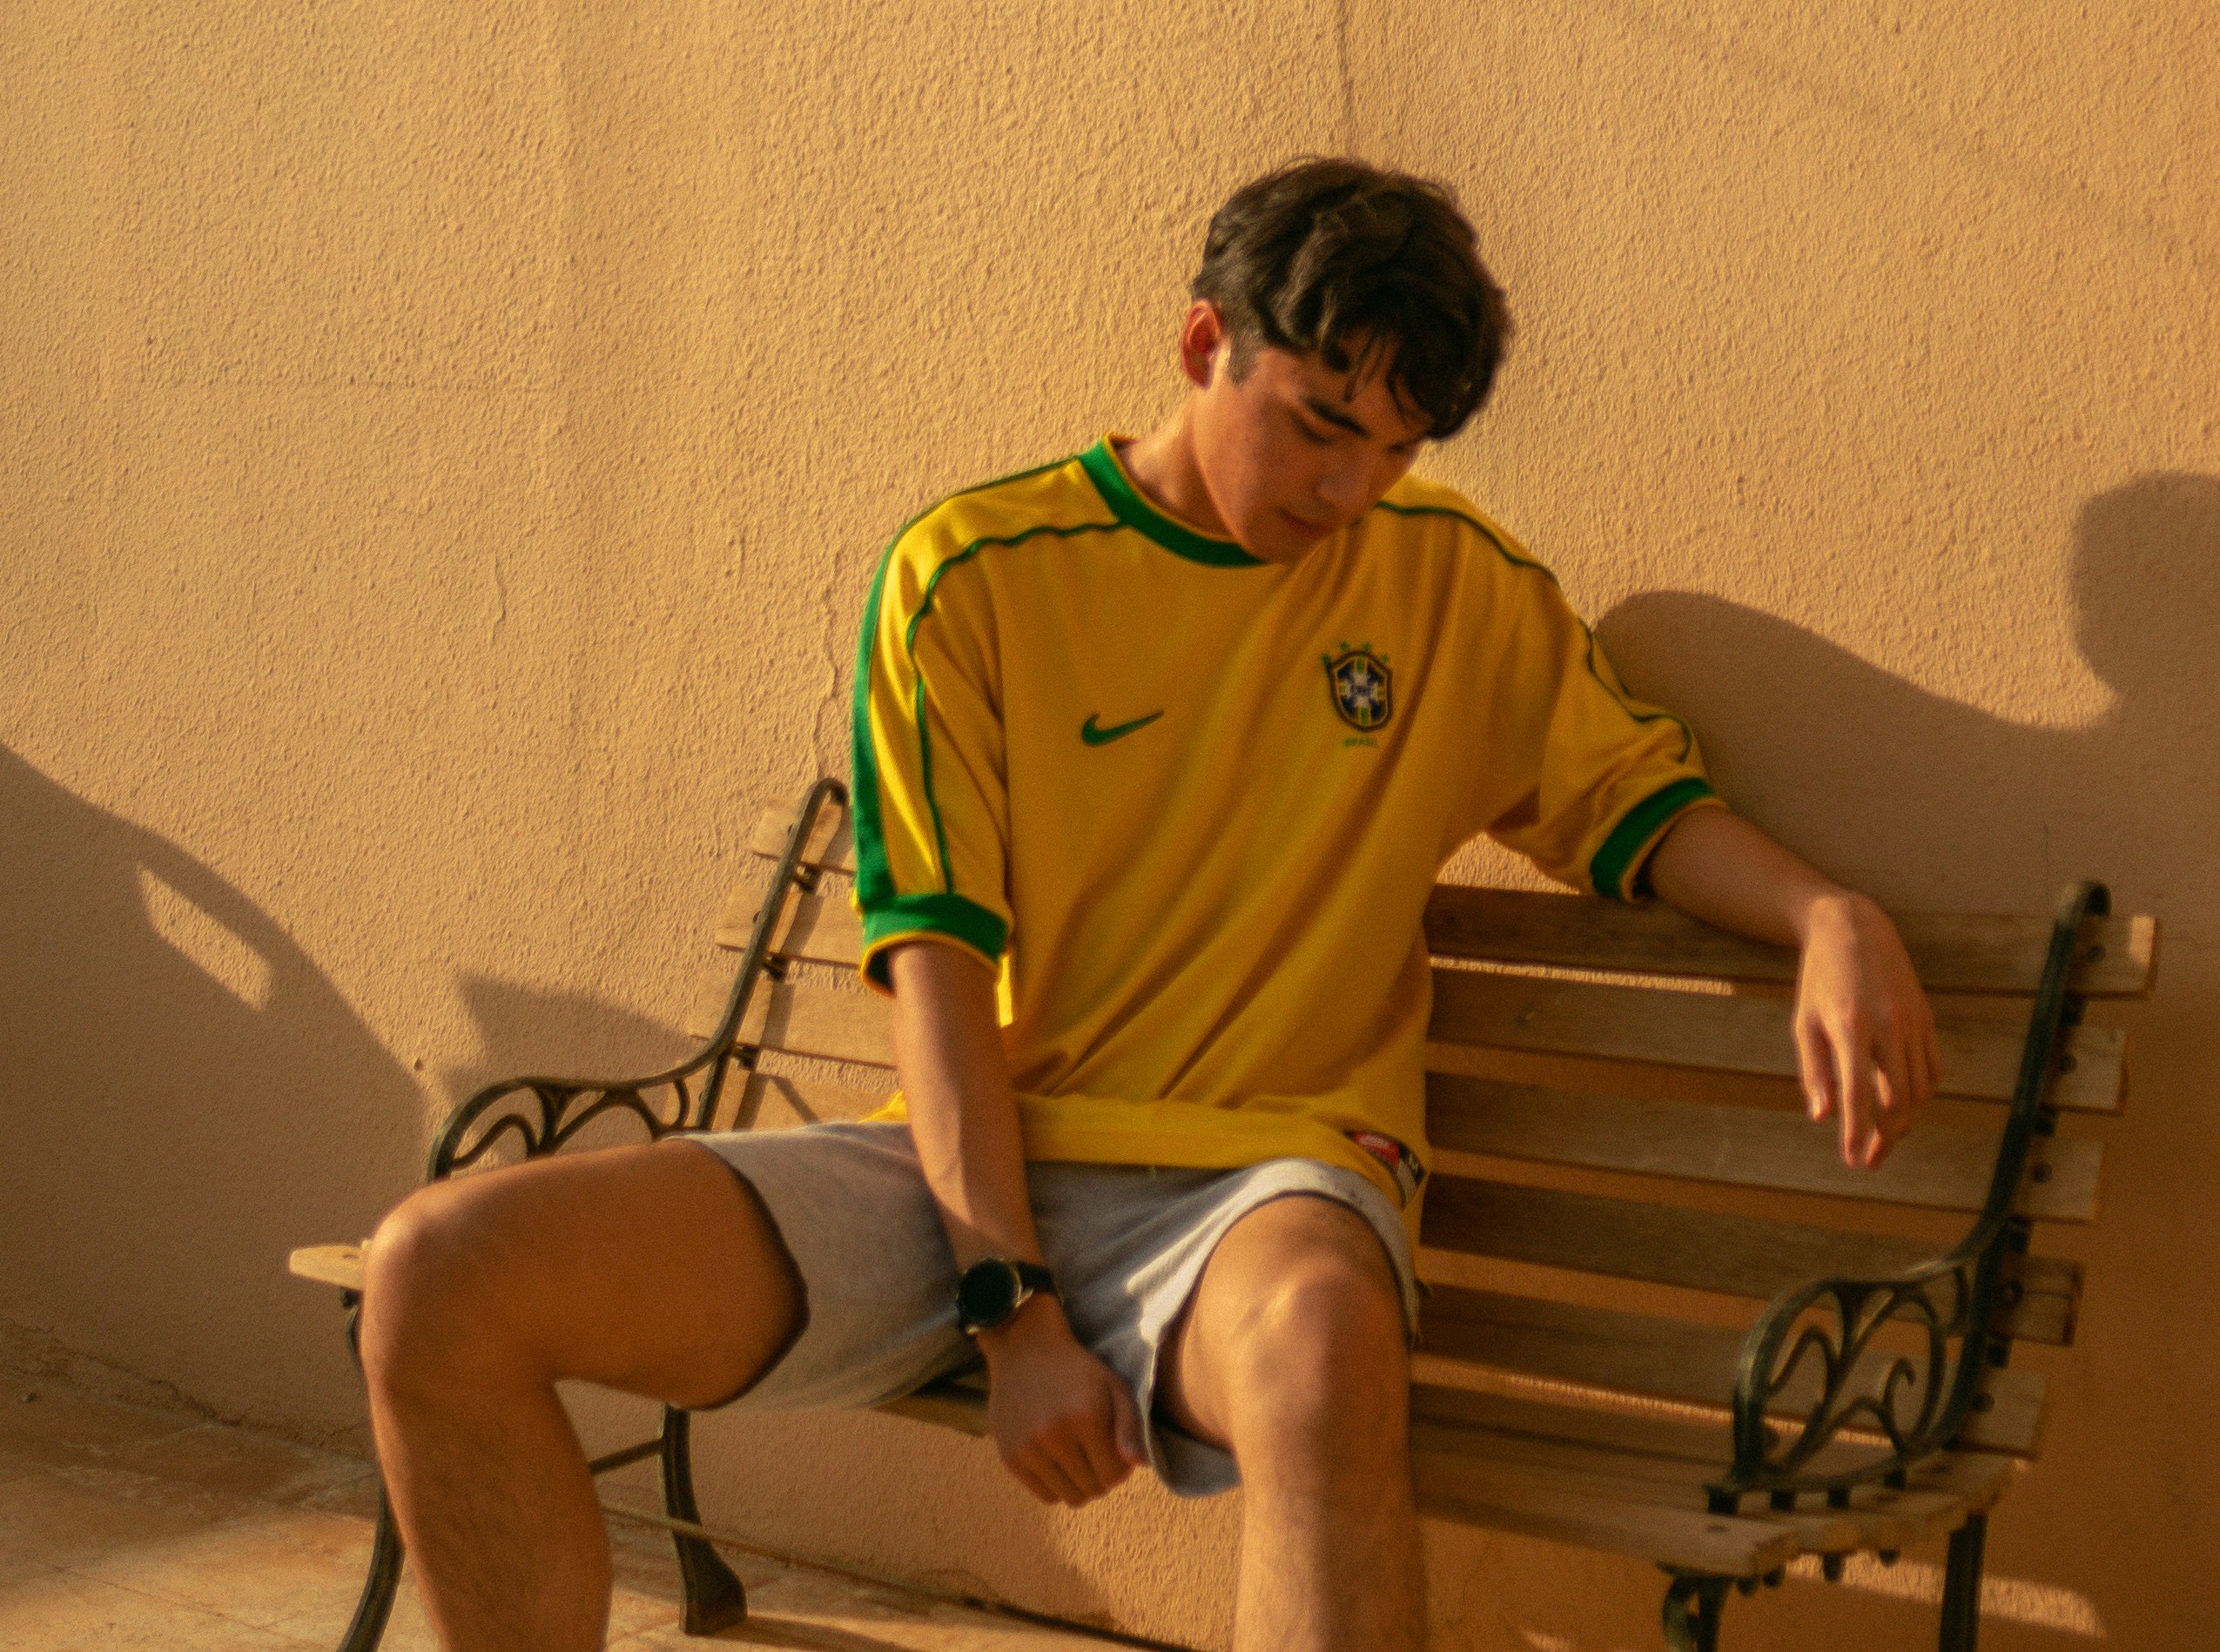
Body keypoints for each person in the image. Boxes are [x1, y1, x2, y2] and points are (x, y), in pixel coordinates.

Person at [358, 159, 1941, 1652]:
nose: (1350, 486)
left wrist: (1826, 918)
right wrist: (1011, 1311)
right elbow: (938, 977)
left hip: (1265, 1187)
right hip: (963, 1183)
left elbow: (1633, 811)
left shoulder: (1454, 585)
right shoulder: (975, 573)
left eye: (1396, 449)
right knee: (442, 1269)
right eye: (1322, 423)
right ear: (1204, 343)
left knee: (1323, 1358)